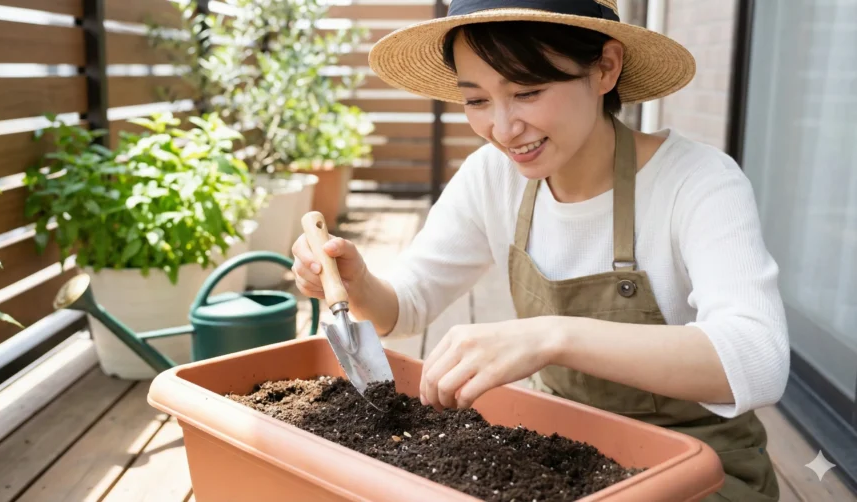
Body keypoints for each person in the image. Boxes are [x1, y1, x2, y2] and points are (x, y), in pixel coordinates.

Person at [291, 1, 789, 500]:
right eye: (476, 100)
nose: (503, 129)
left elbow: (758, 358)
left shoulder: (696, 182)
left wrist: (551, 336)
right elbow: (406, 306)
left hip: (696, 468)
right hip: (562, 450)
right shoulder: (493, 176)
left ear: (605, 68)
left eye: (526, 92)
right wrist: (358, 283)